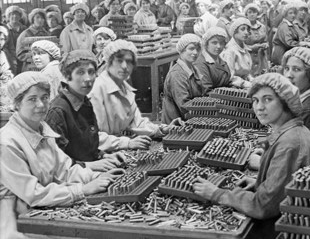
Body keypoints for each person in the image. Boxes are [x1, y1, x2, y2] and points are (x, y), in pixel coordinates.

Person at [193, 73, 310, 239]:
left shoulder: (290, 144)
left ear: (286, 101)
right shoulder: (293, 132)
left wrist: (217, 194)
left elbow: (263, 206)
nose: (259, 107)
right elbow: (287, 185)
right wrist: (260, 181)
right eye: (255, 100)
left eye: (267, 99)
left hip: (283, 230)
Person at [0, 71, 123, 238]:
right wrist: (82, 190)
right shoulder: (7, 142)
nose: (41, 105)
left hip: (43, 212)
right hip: (17, 223)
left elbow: (66, 170)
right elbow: (34, 194)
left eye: (44, 97)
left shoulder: (43, 130)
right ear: (16, 104)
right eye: (32, 99)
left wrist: (96, 177)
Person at [89, 39, 181, 150]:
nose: (124, 66)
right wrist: (126, 143)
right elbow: (92, 136)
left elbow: (136, 123)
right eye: (119, 61)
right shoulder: (96, 91)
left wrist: (161, 129)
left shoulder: (123, 88)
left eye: (128, 62)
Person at [45, 50, 128, 172]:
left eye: (91, 72)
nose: (88, 78)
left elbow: (86, 147)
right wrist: (88, 166)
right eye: (80, 72)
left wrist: (103, 155)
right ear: (68, 76)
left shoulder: (84, 102)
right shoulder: (58, 112)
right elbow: (55, 163)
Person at [162, 34, 204, 123]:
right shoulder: (177, 74)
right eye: (191, 48)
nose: (195, 52)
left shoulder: (193, 69)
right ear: (181, 50)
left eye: (198, 49)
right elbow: (185, 106)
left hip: (191, 119)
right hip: (177, 126)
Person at [195, 27, 231, 95]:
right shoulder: (201, 63)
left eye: (221, 43)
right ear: (206, 43)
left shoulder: (221, 61)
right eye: (214, 43)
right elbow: (206, 91)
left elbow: (227, 82)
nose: (218, 46)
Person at [221, 18, 254, 88]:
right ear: (235, 32)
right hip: (233, 89)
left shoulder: (244, 49)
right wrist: (246, 84)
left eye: (247, 30)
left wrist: (252, 80)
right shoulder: (230, 51)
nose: (246, 32)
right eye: (242, 29)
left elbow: (246, 72)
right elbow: (230, 77)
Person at [244, 3, 269, 75]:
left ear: (257, 14)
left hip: (261, 58)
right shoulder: (244, 27)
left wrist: (265, 45)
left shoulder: (262, 27)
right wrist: (253, 47)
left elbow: (266, 41)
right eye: (250, 12)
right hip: (248, 58)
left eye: (254, 12)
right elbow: (241, 45)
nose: (252, 14)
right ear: (246, 14)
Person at [5, 6, 26, 74]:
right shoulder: (4, 30)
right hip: (10, 59)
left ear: (20, 16)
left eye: (17, 14)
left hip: (23, 58)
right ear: (8, 17)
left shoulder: (25, 29)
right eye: (12, 14)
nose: (15, 16)